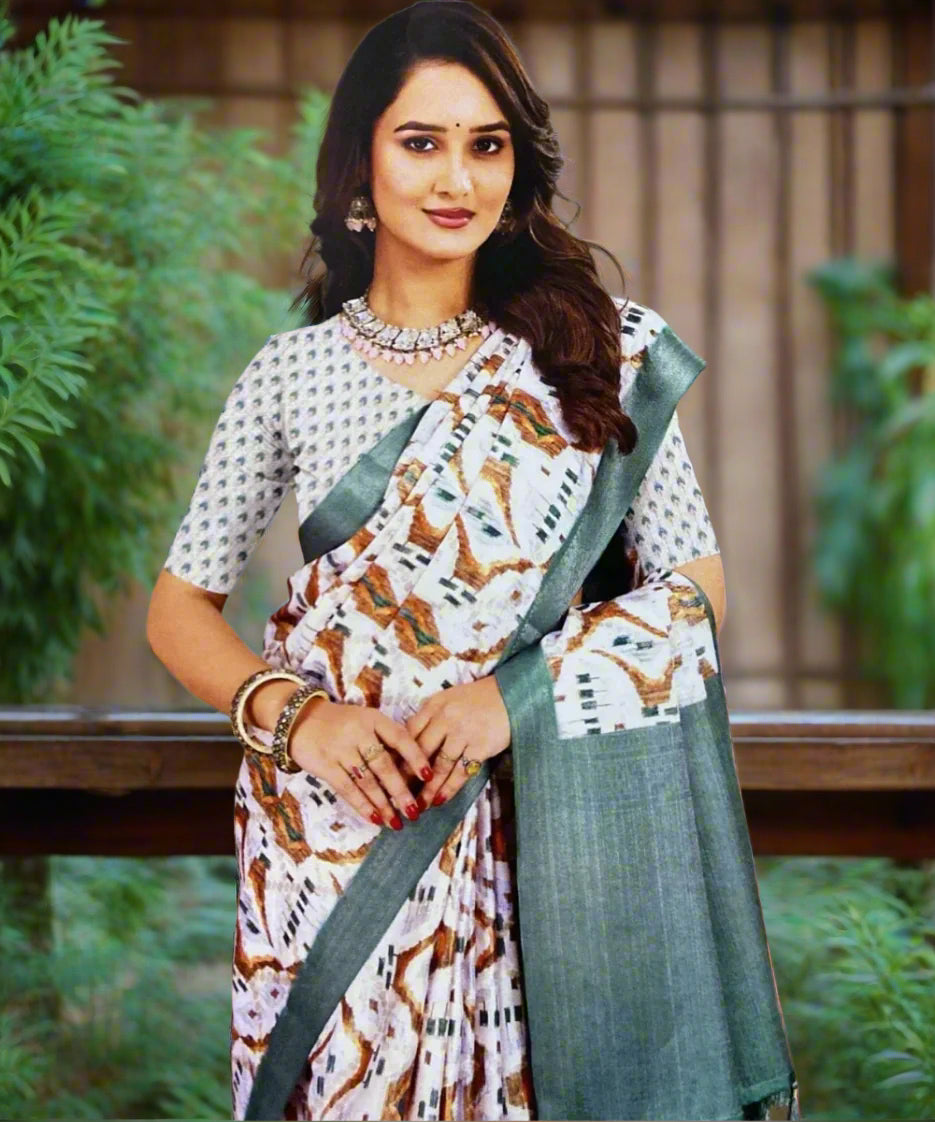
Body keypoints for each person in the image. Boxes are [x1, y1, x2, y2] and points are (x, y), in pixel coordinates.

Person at [147, 2, 799, 1119]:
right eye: (421, 142)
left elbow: (695, 593)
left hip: (540, 833)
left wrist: (513, 698)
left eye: (484, 143)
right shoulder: (290, 375)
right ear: (360, 163)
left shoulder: (599, 351)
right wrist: (304, 718)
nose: (457, 177)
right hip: (332, 839)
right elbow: (177, 610)